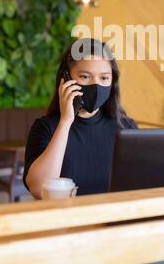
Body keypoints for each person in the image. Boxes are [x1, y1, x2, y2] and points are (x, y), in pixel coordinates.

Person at [23, 37, 137, 199]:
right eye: (85, 76)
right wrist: (65, 122)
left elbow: (137, 183)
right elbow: (39, 188)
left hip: (113, 219)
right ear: (66, 78)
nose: (96, 85)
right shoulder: (45, 128)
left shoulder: (126, 127)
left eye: (104, 78)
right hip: (66, 220)